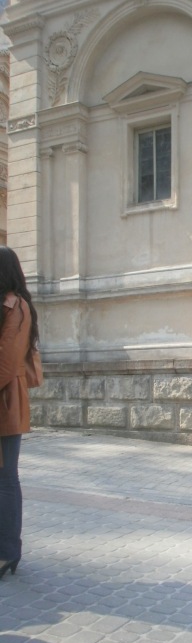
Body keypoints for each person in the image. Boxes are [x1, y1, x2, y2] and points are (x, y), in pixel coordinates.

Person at [0, 245, 40, 580]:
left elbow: (6, 362)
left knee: (6, 477)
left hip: (6, 401)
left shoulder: (17, 307)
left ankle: (8, 552)